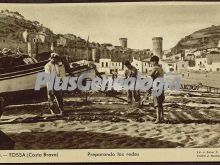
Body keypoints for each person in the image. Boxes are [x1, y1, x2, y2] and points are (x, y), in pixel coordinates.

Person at [149, 56, 165, 123]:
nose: (151, 63)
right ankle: (162, 118)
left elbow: (150, 75)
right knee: (160, 103)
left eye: (152, 62)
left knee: (157, 103)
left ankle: (158, 119)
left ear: (154, 61)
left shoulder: (155, 68)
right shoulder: (161, 68)